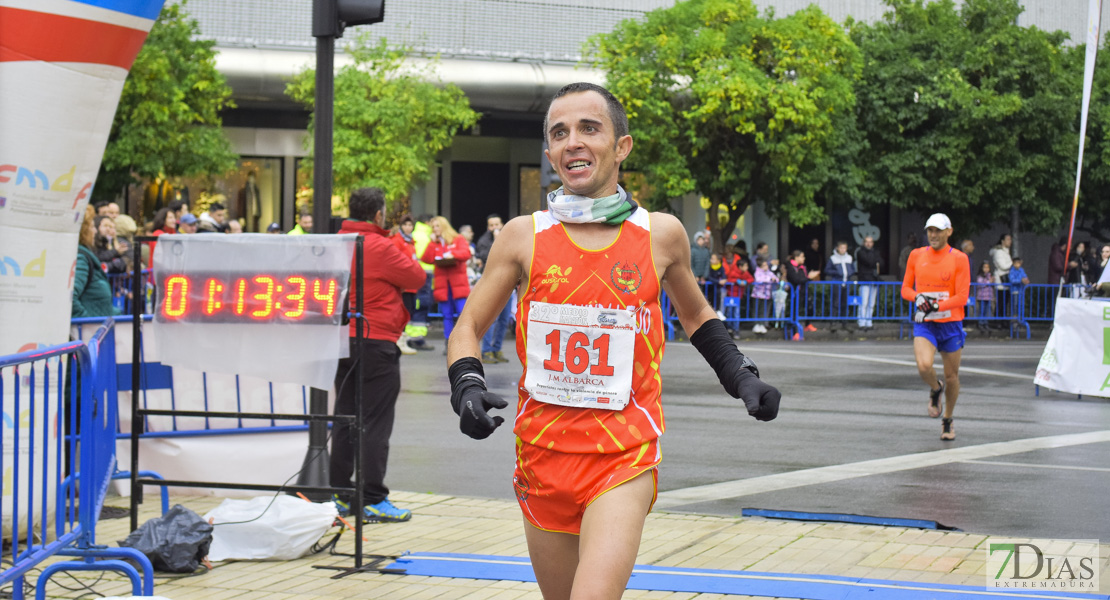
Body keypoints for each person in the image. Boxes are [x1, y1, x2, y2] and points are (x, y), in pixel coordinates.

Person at [443, 82, 780, 600]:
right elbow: (467, 328)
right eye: (560, 133)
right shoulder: (521, 236)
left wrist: (740, 376)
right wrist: (466, 384)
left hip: (623, 454)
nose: (572, 141)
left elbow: (695, 314)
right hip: (541, 454)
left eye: (589, 128)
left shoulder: (659, 234)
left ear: (621, 146)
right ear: (551, 152)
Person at [331, 187, 427, 522]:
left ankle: (339, 495)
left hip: (342, 340)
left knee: (344, 418)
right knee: (375, 423)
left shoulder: (337, 243)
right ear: (378, 215)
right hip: (377, 338)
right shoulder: (381, 246)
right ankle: (372, 497)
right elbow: (416, 278)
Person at [901, 213, 970, 441]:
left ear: (949, 232)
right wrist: (918, 297)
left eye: (938, 231)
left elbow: (962, 296)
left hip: (950, 324)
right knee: (923, 365)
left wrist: (938, 304)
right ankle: (934, 387)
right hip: (926, 323)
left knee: (952, 376)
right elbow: (905, 289)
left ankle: (948, 419)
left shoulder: (959, 258)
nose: (933, 235)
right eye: (930, 230)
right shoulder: (916, 255)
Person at [421, 216, 471, 343]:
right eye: (433, 227)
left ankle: (464, 339)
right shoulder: (435, 242)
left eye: (437, 226)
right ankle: (448, 341)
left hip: (458, 283)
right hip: (442, 284)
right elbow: (426, 258)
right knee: (446, 314)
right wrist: (432, 243)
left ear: (444, 226)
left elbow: (466, 254)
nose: (435, 229)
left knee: (462, 313)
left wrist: (453, 255)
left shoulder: (458, 238)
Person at [476, 215, 514, 365]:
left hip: (508, 282)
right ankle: (486, 351)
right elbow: (487, 256)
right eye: (491, 225)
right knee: (492, 319)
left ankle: (497, 349)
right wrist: (497, 241)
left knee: (504, 319)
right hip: (492, 283)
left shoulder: (510, 238)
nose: (494, 228)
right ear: (488, 227)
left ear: (502, 224)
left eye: (497, 224)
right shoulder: (484, 241)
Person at [73, 207, 121, 318]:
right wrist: (85, 322)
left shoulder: (83, 255)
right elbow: (70, 297)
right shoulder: (81, 258)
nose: (95, 231)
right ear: (84, 230)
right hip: (90, 331)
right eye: (92, 226)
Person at [405, 214, 436, 351]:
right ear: (428, 222)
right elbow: (426, 257)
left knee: (415, 305)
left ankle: (411, 336)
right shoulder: (425, 236)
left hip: (417, 274)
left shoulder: (416, 234)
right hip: (424, 274)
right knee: (422, 305)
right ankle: (417, 338)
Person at [391, 214, 419, 356]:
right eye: (405, 225)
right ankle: (399, 340)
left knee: (409, 311)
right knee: (403, 312)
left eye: (410, 225)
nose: (408, 227)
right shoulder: (398, 241)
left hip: (411, 283)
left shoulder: (411, 242)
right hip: (404, 284)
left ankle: (402, 340)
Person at [785, 249, 819, 333]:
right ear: (796, 258)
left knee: (810, 307)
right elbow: (796, 279)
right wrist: (808, 278)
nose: (804, 258)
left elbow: (804, 278)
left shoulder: (803, 267)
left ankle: (808, 324)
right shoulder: (790, 267)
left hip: (805, 291)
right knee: (795, 312)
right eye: (802, 256)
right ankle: (794, 332)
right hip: (795, 292)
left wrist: (810, 277)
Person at [824, 240, 855, 327]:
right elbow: (827, 270)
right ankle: (833, 322)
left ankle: (844, 322)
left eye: (844, 248)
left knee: (845, 303)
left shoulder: (849, 258)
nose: (843, 249)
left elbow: (853, 269)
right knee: (836, 302)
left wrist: (850, 272)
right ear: (837, 248)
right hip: (837, 282)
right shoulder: (833, 258)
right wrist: (837, 272)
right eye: (841, 248)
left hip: (847, 282)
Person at [855, 235, 881, 329]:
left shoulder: (875, 251)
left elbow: (881, 262)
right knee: (863, 302)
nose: (868, 243)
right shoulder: (860, 252)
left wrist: (876, 261)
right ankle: (861, 322)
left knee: (871, 303)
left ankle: (869, 321)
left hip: (874, 280)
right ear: (864, 242)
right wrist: (875, 261)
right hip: (864, 280)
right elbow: (869, 262)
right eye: (867, 241)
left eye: (870, 242)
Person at [989, 234, 1013, 323]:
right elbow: (1003, 266)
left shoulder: (1005, 251)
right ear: (1002, 241)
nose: (1010, 241)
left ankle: (1002, 320)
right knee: (1001, 301)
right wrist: (1012, 265)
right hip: (1001, 279)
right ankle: (999, 321)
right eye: (1008, 239)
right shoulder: (998, 252)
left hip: (1005, 279)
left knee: (1004, 301)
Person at [751, 256, 776, 334]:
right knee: (756, 310)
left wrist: (774, 279)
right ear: (760, 266)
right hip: (757, 294)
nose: (766, 266)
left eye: (766, 265)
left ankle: (762, 325)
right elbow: (759, 280)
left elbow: (775, 278)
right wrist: (769, 280)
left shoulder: (769, 272)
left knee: (763, 310)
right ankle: (756, 325)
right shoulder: (757, 272)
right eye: (764, 265)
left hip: (766, 295)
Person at [974, 260, 994, 333]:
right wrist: (989, 282)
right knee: (981, 310)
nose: (986, 269)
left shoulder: (990, 275)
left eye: (987, 267)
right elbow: (980, 284)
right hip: (981, 296)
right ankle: (980, 323)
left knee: (987, 311)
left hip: (988, 296)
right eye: (984, 267)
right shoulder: (980, 276)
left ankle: (986, 323)